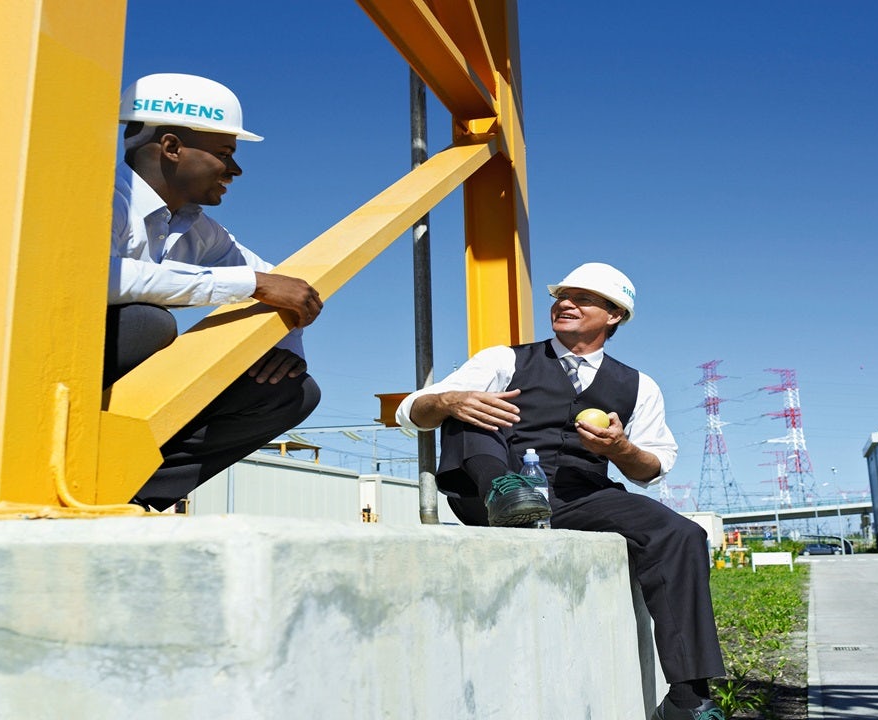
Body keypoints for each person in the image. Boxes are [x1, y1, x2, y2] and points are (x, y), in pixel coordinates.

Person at [396, 262, 726, 720]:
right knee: (469, 406)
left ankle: (688, 699)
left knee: (682, 535)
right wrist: (449, 399)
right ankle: (508, 495)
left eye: (583, 298)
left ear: (614, 315)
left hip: (579, 497)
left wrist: (620, 447)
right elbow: (411, 411)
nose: (565, 303)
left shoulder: (638, 386)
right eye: (561, 296)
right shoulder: (504, 360)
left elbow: (651, 469)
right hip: (492, 490)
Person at [108, 73, 322, 512]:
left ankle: (129, 491)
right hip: (31, 369)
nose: (236, 169)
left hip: (105, 370)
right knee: (148, 324)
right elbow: (96, 278)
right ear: (171, 148)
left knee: (291, 390)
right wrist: (251, 286)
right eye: (225, 153)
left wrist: (284, 346)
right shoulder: (100, 194)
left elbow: (284, 286)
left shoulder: (195, 226)